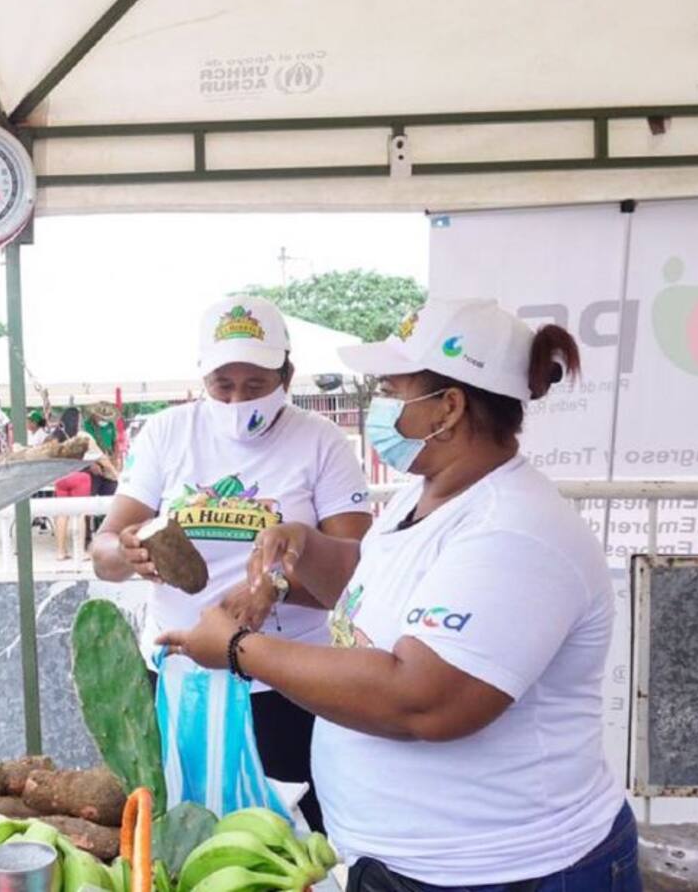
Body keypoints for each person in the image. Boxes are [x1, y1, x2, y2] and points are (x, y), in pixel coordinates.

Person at [160, 298, 640, 891]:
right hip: (412, 865)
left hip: (507, 873)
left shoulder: (514, 532)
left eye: (391, 388)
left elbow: (424, 700)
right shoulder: (429, 493)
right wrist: (306, 546)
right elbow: (372, 586)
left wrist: (239, 650)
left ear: (449, 407)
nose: (379, 403)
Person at [92, 296, 373, 831]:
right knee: (178, 832)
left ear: (286, 375)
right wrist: (125, 552)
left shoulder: (321, 442)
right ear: (203, 377)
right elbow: (103, 552)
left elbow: (356, 575)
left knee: (290, 837)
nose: (238, 400)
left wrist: (276, 587)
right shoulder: (167, 433)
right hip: (176, 681)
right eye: (223, 385)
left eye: (256, 384)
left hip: (285, 683)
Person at [51, 407, 117, 561]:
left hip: (60, 478)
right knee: (81, 513)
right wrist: (114, 473)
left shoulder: (55, 437)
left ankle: (61, 552)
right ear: (77, 420)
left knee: (62, 514)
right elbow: (101, 458)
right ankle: (80, 552)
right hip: (79, 476)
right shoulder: (83, 436)